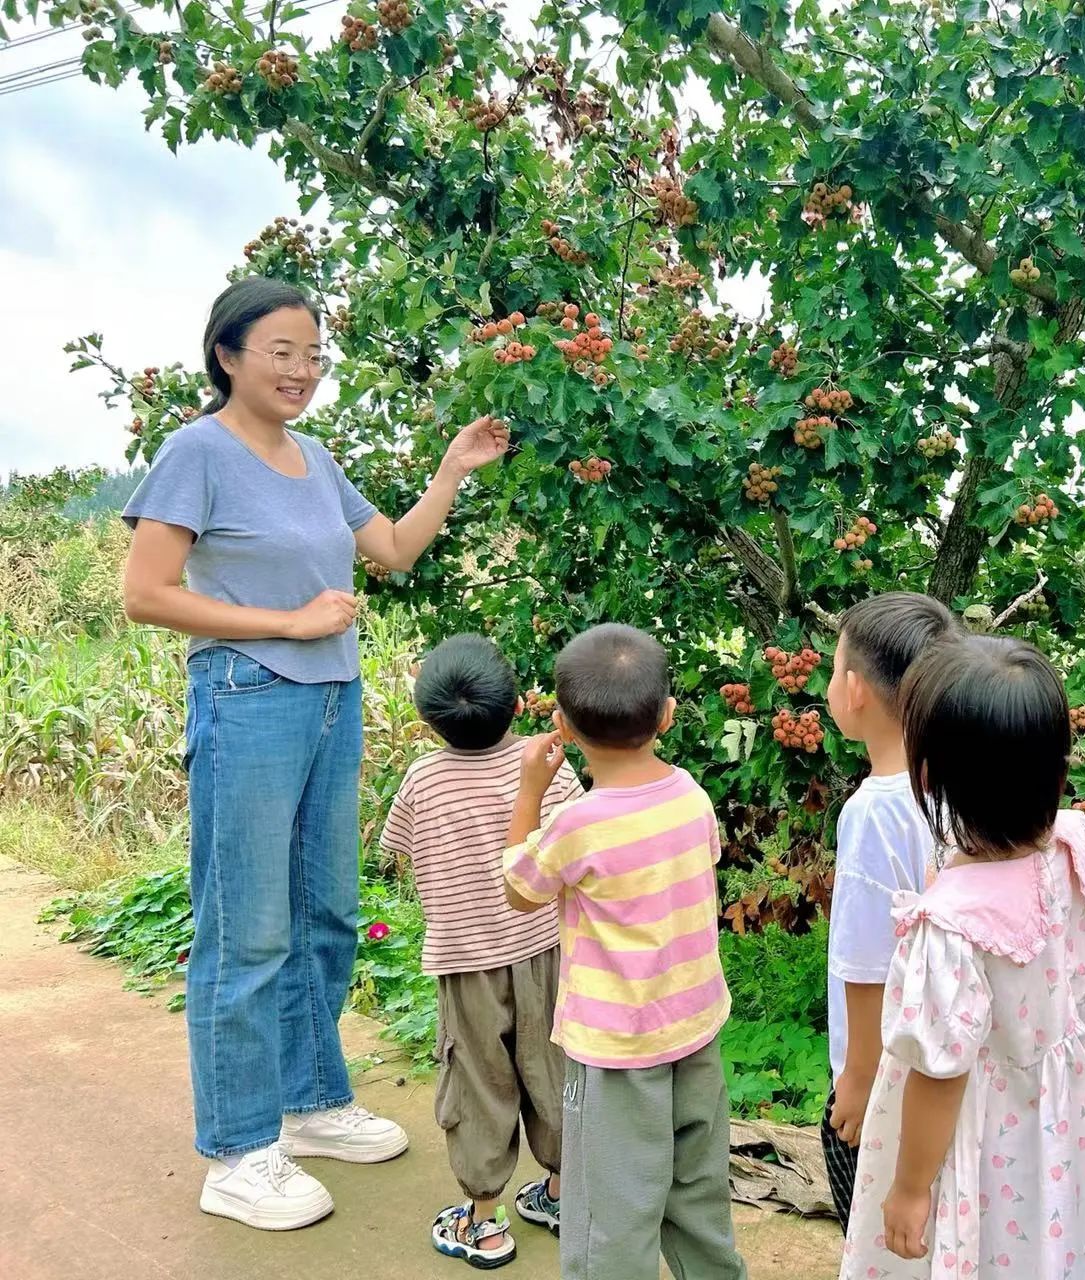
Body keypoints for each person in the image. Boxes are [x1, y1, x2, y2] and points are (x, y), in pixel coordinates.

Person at [121, 277, 511, 1230]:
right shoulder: (195, 452)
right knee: (246, 929)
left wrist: (452, 470)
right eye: (281, 352)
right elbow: (147, 593)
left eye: (312, 354)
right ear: (228, 355)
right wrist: (288, 623)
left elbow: (395, 551)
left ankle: (308, 1104)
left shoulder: (316, 457)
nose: (301, 370)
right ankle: (237, 1149)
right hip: (247, 697)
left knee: (326, 915)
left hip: (331, 699)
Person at [839, 635, 1085, 1280]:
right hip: (1076, 1131)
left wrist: (910, 1187)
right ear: (1059, 771)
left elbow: (941, 1071)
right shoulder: (1079, 847)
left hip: (990, 1141)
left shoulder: (950, 923)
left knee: (991, 1251)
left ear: (928, 778)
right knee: (1063, 1243)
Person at [502, 623, 747, 1280]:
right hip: (695, 1032)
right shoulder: (692, 797)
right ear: (667, 716)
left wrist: (529, 792)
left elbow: (521, 890)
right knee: (698, 1197)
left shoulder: (578, 824)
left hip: (616, 1052)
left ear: (564, 725)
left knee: (610, 1215)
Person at [378, 634, 583, 1268]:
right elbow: (576, 843)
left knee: (477, 1082)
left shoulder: (422, 779)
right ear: (518, 703)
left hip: (465, 960)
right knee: (553, 1072)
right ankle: (561, 1191)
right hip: (547, 951)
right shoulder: (544, 764)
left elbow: (396, 853)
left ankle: (486, 1224)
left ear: (428, 720)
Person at [820, 591, 957, 1230]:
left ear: (854, 691)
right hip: (946, 1060)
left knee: (874, 1228)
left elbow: (867, 957)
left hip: (887, 1071)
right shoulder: (963, 782)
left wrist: (857, 1073)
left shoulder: (874, 809)